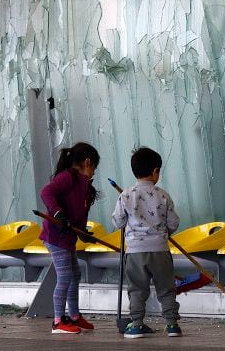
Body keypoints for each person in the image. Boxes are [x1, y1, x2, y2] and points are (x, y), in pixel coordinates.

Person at [111, 147, 181, 338]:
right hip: (160, 250)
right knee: (166, 288)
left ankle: (136, 324)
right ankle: (172, 324)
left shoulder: (125, 195)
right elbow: (174, 222)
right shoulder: (163, 195)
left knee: (137, 289)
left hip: (135, 252)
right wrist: (166, 233)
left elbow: (117, 222)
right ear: (155, 171)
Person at [39, 142, 100, 335]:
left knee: (75, 275)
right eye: (94, 168)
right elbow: (46, 192)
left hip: (68, 238)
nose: (93, 173)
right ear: (87, 163)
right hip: (56, 237)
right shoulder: (68, 177)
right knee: (65, 276)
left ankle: (74, 316)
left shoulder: (85, 186)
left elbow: (79, 215)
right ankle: (58, 321)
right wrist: (57, 213)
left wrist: (82, 232)